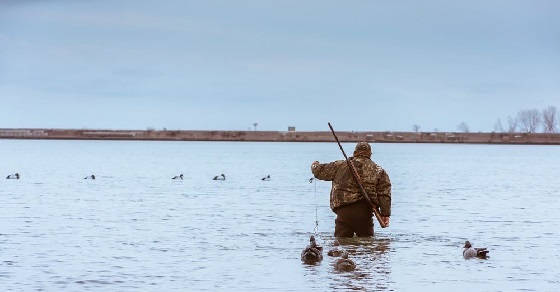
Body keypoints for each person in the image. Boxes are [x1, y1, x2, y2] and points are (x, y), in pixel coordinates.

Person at [311, 142, 391, 237]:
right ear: (370, 154)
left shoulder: (340, 165)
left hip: (344, 212)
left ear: (355, 152)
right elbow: (384, 193)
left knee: (341, 243)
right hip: (365, 212)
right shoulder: (379, 170)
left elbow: (319, 171)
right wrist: (385, 214)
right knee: (367, 245)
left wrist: (315, 164)